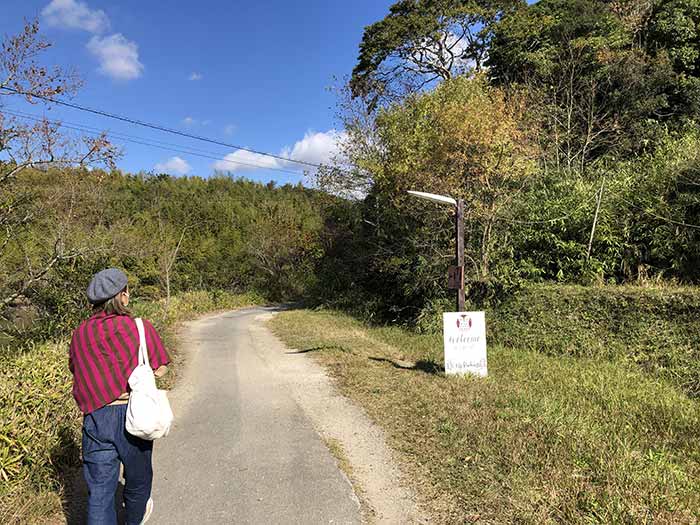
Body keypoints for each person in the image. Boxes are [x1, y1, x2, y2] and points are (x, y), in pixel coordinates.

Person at [69, 268, 170, 525]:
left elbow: (75, 368)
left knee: (100, 494)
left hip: (95, 418)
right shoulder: (139, 328)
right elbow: (160, 366)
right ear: (122, 296)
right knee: (138, 480)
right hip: (132, 415)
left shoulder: (80, 333)